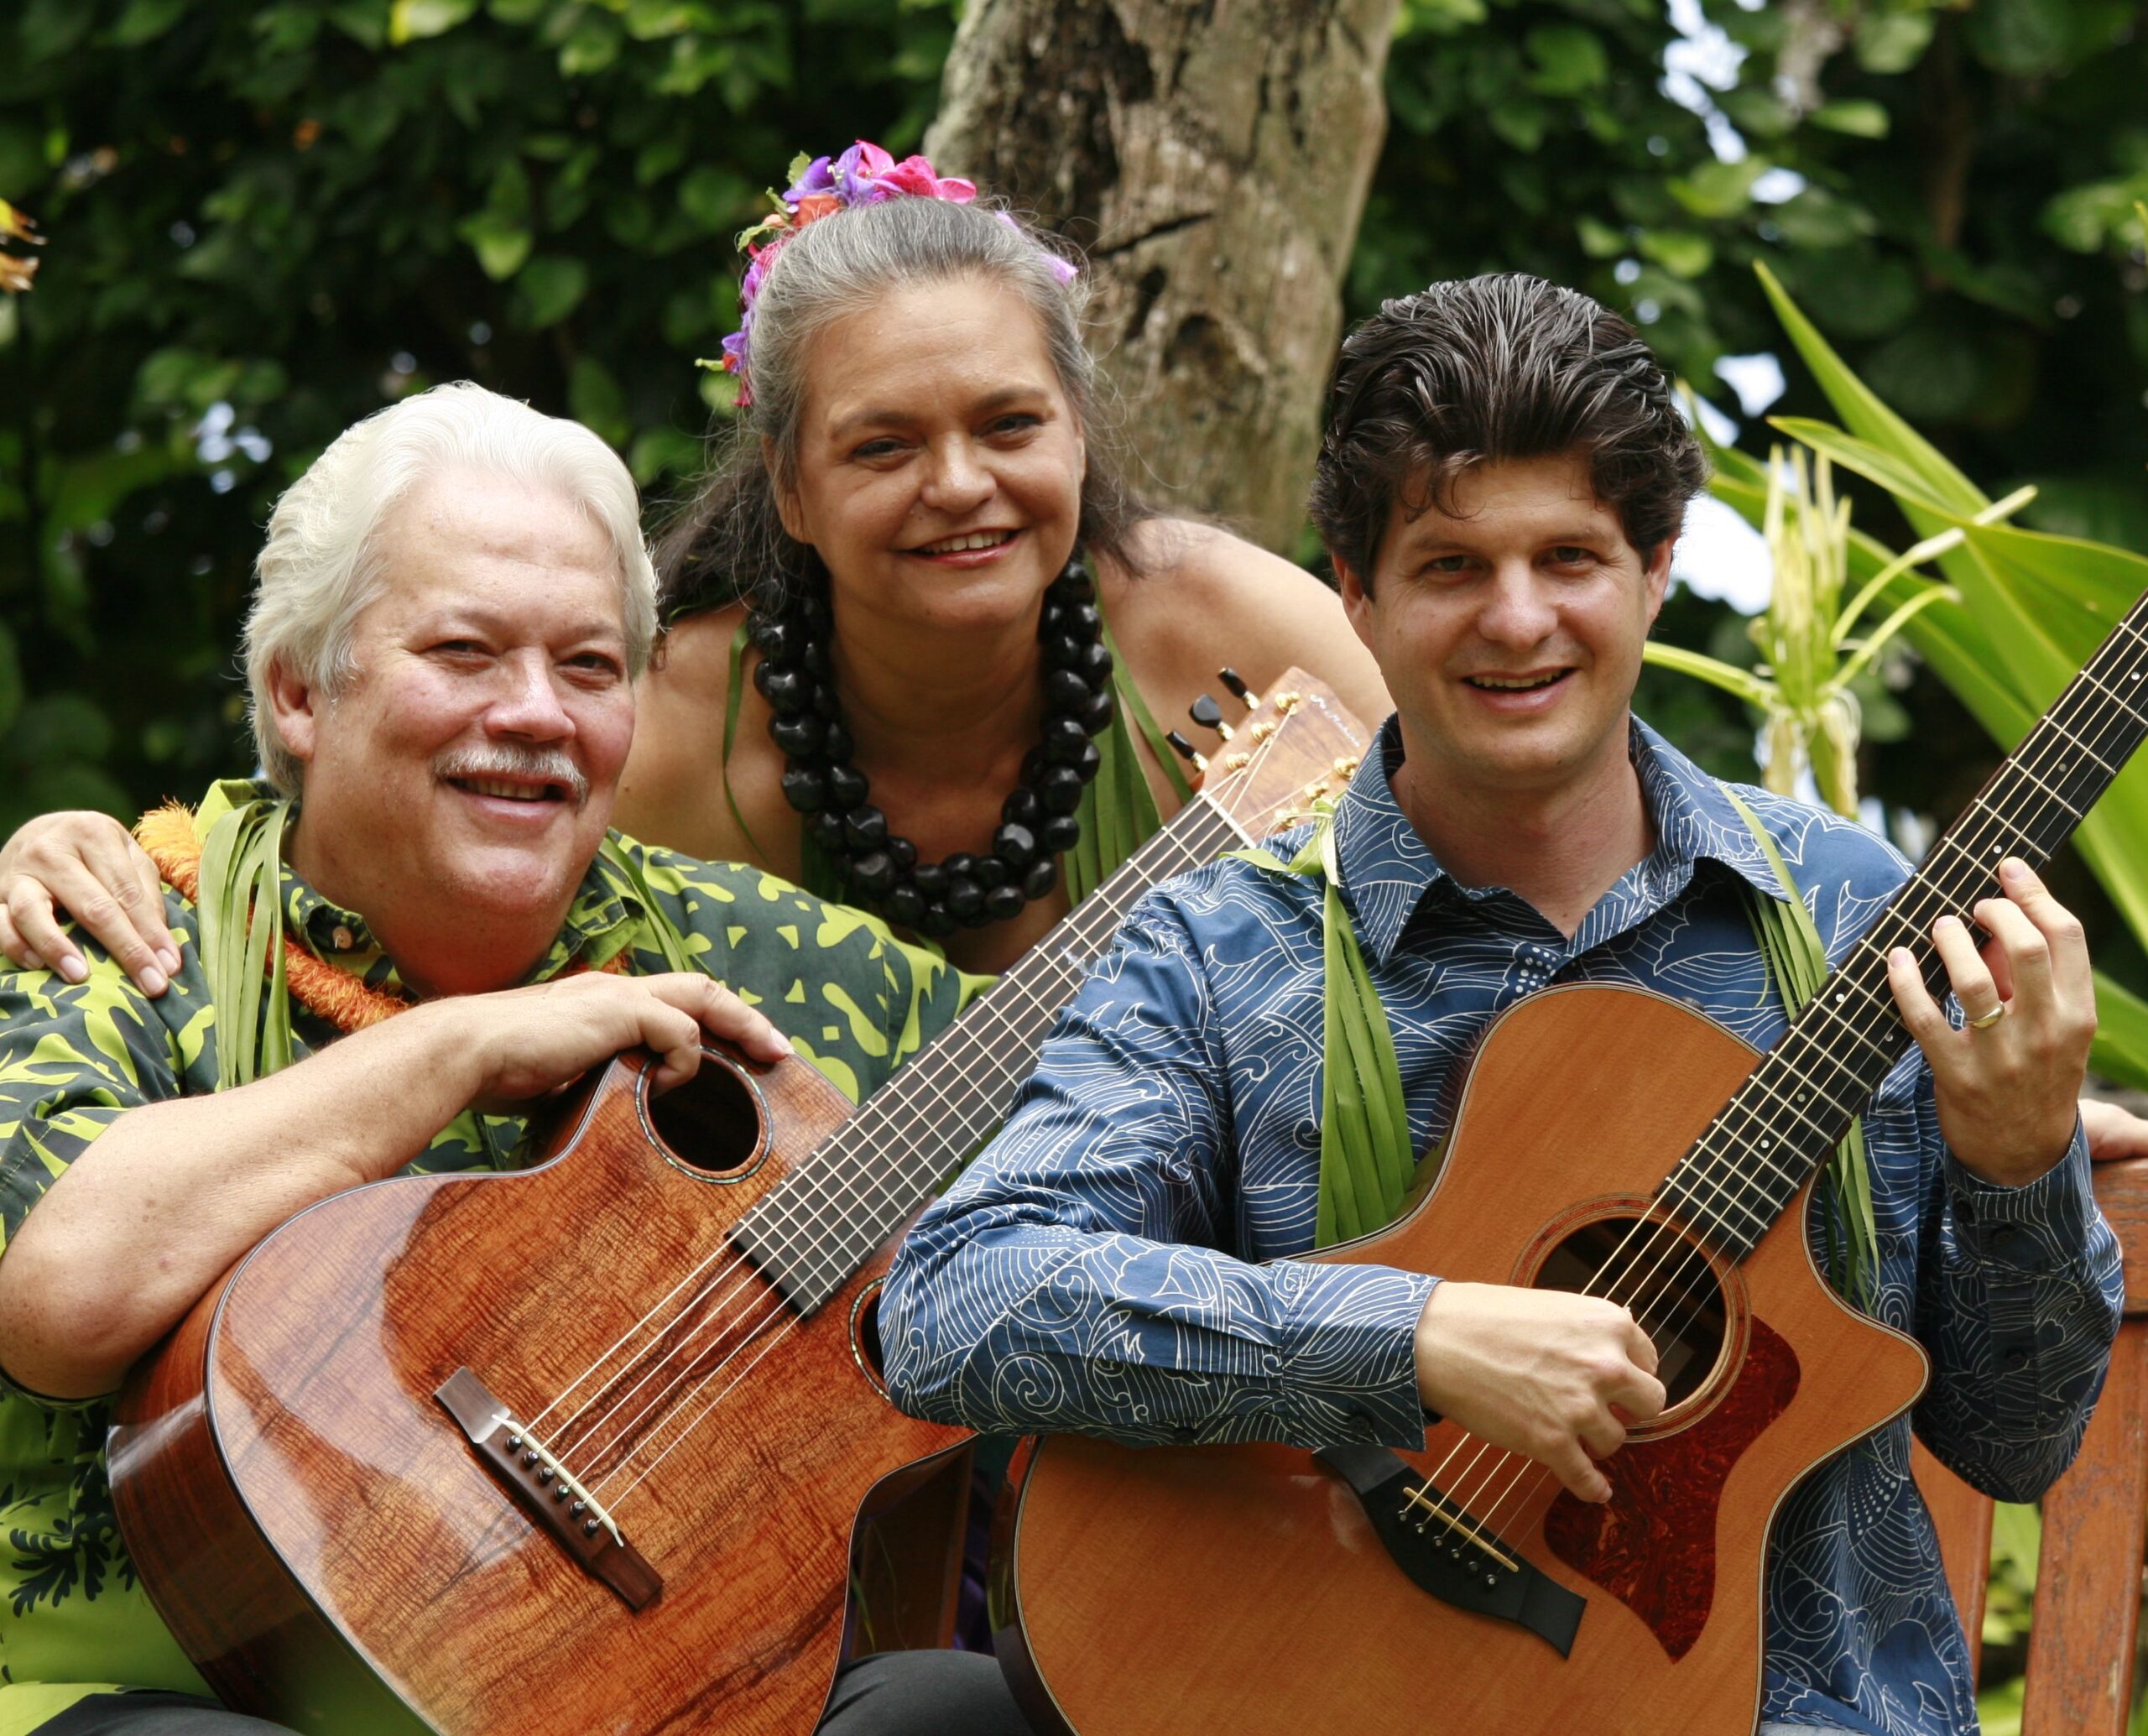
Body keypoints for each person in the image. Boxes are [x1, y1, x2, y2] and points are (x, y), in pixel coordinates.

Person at [878, 275, 2125, 1736]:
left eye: (1570, 557)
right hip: (1338, 1690)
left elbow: (2020, 1440)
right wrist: (1414, 1337)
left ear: (1657, 567)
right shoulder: (1227, 947)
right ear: (1356, 591)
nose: (1518, 620)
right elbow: (956, 1298)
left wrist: (2020, 1159)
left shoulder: (1852, 917)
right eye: (1453, 563)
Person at [0, 383, 1030, 1736]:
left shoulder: (765, 961)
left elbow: (1085, 1072)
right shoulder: (117, 922)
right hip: (185, 1692)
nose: (537, 712)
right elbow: (60, 1300)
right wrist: (464, 1046)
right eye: (468, 651)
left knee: (960, 1709)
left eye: (590, 667)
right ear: (300, 690)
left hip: (651, 1694)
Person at [0, 142, 1388, 986]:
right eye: (883, 444)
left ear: (1079, 434)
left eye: (1010, 424)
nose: (960, 484)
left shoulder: (1240, 632)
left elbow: (1510, 868)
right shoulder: (653, 725)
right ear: (786, 483)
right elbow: (367, 888)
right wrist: (101, 861)